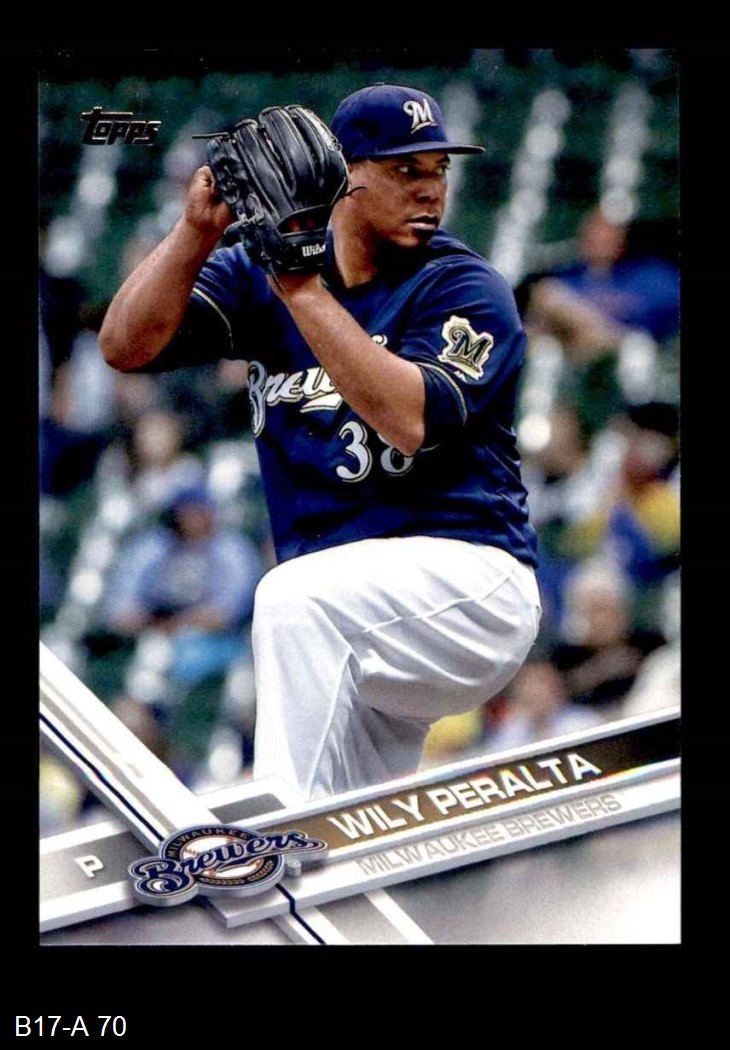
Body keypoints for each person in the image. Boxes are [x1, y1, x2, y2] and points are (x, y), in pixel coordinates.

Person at [99, 83, 542, 800]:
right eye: (405, 170)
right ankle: (326, 860)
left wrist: (302, 290)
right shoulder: (257, 274)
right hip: (362, 618)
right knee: (357, 827)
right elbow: (125, 346)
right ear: (345, 178)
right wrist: (195, 233)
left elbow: (410, 420)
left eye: (438, 170)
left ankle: (280, 829)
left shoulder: (460, 285)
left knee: (291, 599)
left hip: (470, 586)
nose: (430, 190)